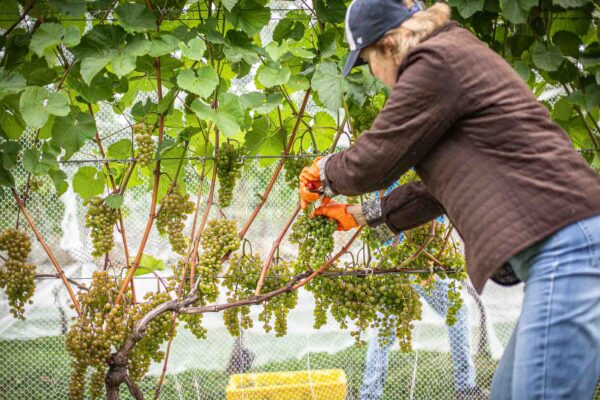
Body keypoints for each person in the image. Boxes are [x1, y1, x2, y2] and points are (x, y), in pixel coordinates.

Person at [298, 1, 600, 399]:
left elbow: (375, 158)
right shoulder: (450, 60)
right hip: (564, 248)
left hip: (569, 247)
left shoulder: (436, 60)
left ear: (389, 45)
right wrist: (359, 215)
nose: (373, 73)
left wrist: (323, 172)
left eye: (368, 60)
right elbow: (436, 192)